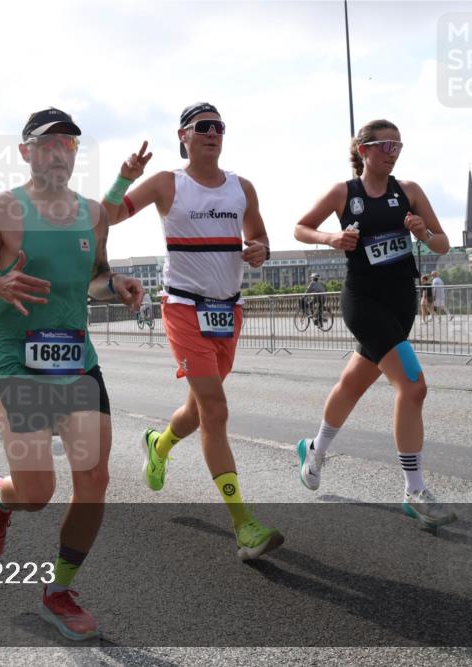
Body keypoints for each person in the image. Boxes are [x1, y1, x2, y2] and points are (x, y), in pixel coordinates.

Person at [0, 107, 144, 641]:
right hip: (19, 363)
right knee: (37, 491)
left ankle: (58, 591)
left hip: (78, 361)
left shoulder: (91, 215)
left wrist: (117, 285)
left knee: (95, 480)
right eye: (50, 143)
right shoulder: (4, 210)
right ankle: (1, 498)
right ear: (27, 152)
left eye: (70, 144)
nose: (61, 151)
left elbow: (95, 279)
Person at [103, 102, 281, 561]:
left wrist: (260, 250)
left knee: (200, 411)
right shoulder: (168, 183)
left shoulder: (242, 188)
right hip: (183, 308)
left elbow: (259, 238)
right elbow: (110, 214)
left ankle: (158, 444)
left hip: (228, 312)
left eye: (219, 127)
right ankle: (244, 526)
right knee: (217, 409)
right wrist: (125, 175)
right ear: (183, 135)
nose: (213, 133)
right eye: (203, 127)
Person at [293, 118, 456, 530]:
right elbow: (300, 227)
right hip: (363, 302)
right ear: (363, 149)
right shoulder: (344, 193)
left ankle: (314, 448)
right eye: (385, 144)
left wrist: (422, 233)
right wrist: (331, 238)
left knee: (352, 383)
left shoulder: (410, 192)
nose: (393, 151)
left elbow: (443, 243)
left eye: (398, 145)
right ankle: (414, 490)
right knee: (414, 386)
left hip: (400, 303)